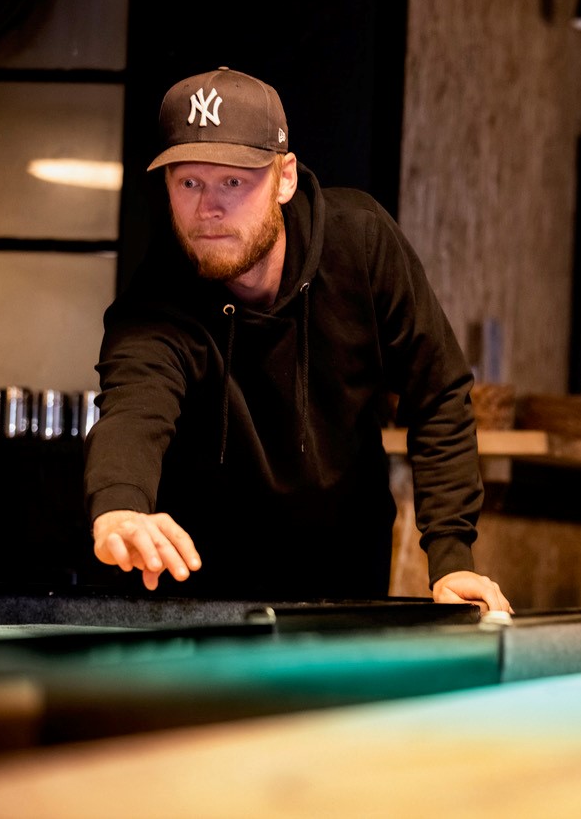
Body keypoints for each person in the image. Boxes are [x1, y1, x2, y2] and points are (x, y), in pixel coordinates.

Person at [83, 67, 512, 614]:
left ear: (284, 178)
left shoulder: (360, 243)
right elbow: (133, 410)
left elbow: (439, 395)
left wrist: (452, 562)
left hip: (346, 575)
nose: (209, 208)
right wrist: (119, 505)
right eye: (189, 183)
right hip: (201, 583)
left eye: (233, 182)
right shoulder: (157, 297)